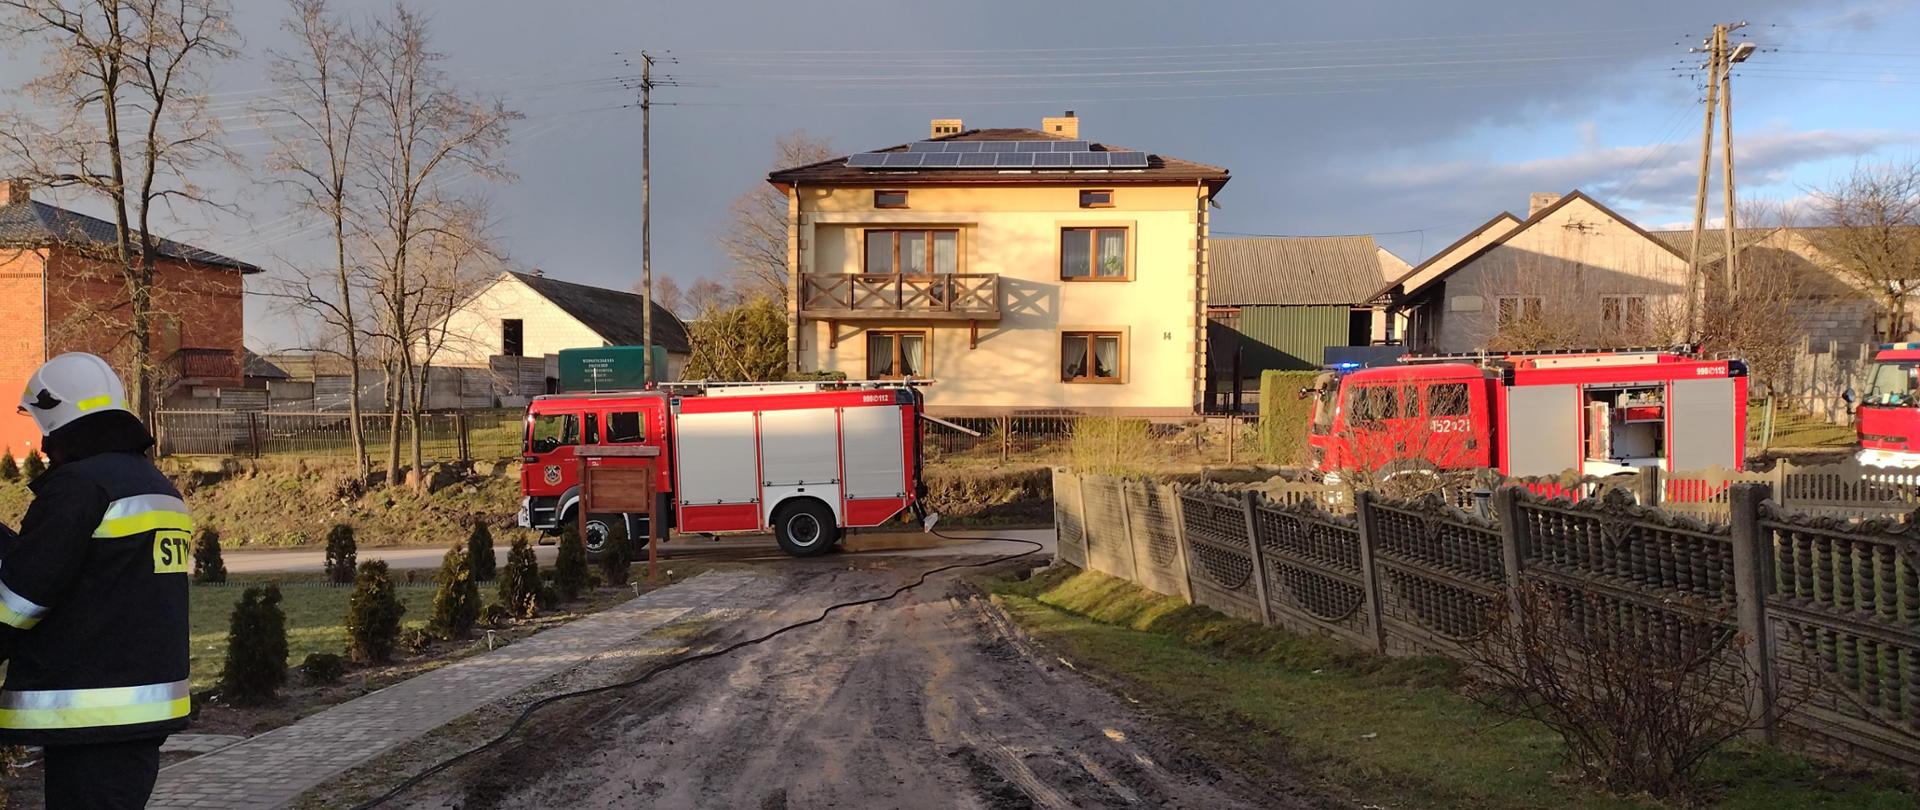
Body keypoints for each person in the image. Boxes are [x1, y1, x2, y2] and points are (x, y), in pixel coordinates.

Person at [0, 353, 192, 808]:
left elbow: (23, 598)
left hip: (89, 712)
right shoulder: (155, 485)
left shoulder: (79, 486)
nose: (43, 445)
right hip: (141, 710)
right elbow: (90, 575)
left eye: (43, 426)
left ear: (58, 415)